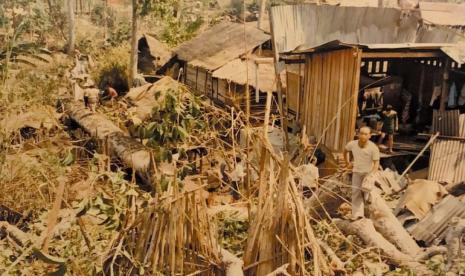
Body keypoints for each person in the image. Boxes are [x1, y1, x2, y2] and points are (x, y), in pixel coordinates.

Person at [343, 126, 380, 220]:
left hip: (368, 173)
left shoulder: (373, 148)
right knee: (355, 193)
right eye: (361, 133)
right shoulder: (352, 144)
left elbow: (376, 164)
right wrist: (348, 163)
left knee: (366, 192)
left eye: (365, 134)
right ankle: (357, 215)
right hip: (357, 172)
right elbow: (345, 151)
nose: (363, 136)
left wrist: (371, 175)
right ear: (358, 134)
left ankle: (369, 198)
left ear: (370, 136)